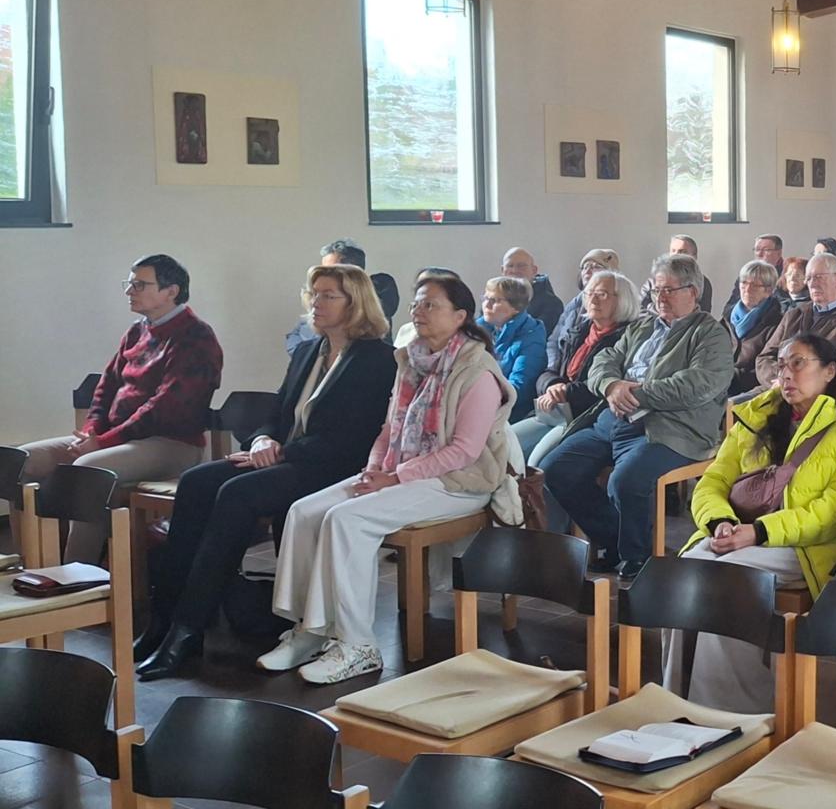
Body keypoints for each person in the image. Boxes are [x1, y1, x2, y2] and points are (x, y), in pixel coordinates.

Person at [135, 264, 395, 681]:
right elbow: (275, 412)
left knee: (238, 493)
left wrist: (281, 451)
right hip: (287, 456)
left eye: (329, 295)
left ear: (356, 303)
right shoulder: (310, 351)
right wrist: (260, 441)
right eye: (314, 294)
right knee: (197, 482)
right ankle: (164, 620)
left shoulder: (376, 359)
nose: (317, 303)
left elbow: (352, 436)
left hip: (331, 465)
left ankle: (187, 632)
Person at [262, 274, 522, 685]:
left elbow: (463, 451)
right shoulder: (411, 359)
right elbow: (389, 429)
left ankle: (357, 645)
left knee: (348, 519)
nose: (419, 312)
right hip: (403, 470)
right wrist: (375, 467)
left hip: (459, 482)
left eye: (431, 305)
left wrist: (396, 477)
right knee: (305, 511)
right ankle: (310, 631)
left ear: (459, 317)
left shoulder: (476, 370)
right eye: (417, 304)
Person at [668, 333, 836, 711]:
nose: (787, 374)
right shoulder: (758, 414)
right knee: (684, 572)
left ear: (829, 371)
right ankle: (676, 699)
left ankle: (731, 708)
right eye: (782, 365)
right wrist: (719, 521)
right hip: (740, 529)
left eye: (799, 363)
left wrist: (761, 532)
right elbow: (715, 478)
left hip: (806, 544)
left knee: (729, 578)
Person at [542, 254, 734, 582]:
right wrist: (612, 386)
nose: (660, 297)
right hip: (614, 419)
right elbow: (604, 361)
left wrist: (635, 394)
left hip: (673, 428)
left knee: (626, 480)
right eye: (656, 290)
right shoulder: (643, 326)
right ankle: (616, 540)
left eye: (669, 290)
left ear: (693, 291)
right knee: (557, 468)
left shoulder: (710, 334)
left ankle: (637, 558)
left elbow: (697, 385)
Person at [19, 255, 224, 517]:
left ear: (171, 291)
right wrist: (92, 432)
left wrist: (103, 443)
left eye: (140, 285)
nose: (129, 291)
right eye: (128, 284)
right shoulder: (136, 331)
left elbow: (165, 408)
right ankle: (36, 554)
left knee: (88, 469)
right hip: (119, 438)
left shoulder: (196, 336)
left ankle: (81, 559)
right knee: (20, 459)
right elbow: (106, 387)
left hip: (172, 443)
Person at [514, 269, 642, 470]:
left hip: (584, 417)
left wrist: (566, 392)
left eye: (602, 294)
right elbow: (549, 369)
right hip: (554, 410)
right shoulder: (580, 331)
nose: (593, 300)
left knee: (537, 465)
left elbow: (608, 388)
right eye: (589, 293)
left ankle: (535, 501)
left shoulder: (627, 338)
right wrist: (553, 385)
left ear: (622, 300)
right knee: (504, 446)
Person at [755, 254, 836, 394]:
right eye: (809, 278)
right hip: (778, 389)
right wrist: (781, 378)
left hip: (824, 397)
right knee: (733, 409)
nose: (812, 283)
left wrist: (795, 381)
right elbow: (764, 358)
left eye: (819, 277)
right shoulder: (794, 315)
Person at [286, 239, 400, 351]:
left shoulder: (379, 290)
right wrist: (306, 354)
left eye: (332, 271)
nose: (324, 275)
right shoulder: (317, 299)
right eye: (322, 269)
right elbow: (295, 337)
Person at [480, 275, 548, 423]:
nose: (487, 304)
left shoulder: (531, 336)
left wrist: (481, 401)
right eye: (485, 298)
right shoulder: (477, 329)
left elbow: (519, 387)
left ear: (516, 307)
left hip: (510, 413)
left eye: (495, 300)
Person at [547, 249, 619, 379]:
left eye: (596, 266)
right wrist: (552, 374)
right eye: (585, 266)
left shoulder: (614, 310)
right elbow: (553, 342)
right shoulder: (572, 306)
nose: (588, 270)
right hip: (561, 375)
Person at [727, 261, 786, 394]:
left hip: (752, 390)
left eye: (754, 285)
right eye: (744, 283)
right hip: (721, 384)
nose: (747, 289)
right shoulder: (726, 318)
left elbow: (766, 366)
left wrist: (728, 377)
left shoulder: (777, 323)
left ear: (769, 290)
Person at [639, 235, 715, 314]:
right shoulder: (654, 280)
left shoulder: (702, 282)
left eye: (682, 252)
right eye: (673, 251)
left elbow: (702, 313)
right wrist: (661, 310)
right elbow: (639, 309)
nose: (676, 255)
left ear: (694, 257)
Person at [501, 247, 566, 335]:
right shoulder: (493, 300)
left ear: (534, 270)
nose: (515, 271)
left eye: (521, 266)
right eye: (510, 266)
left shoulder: (552, 304)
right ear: (502, 271)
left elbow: (537, 334)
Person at [723, 235, 785, 315]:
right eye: (757, 249)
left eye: (766, 250)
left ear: (779, 253)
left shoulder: (787, 276)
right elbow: (728, 308)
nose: (759, 254)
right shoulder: (746, 276)